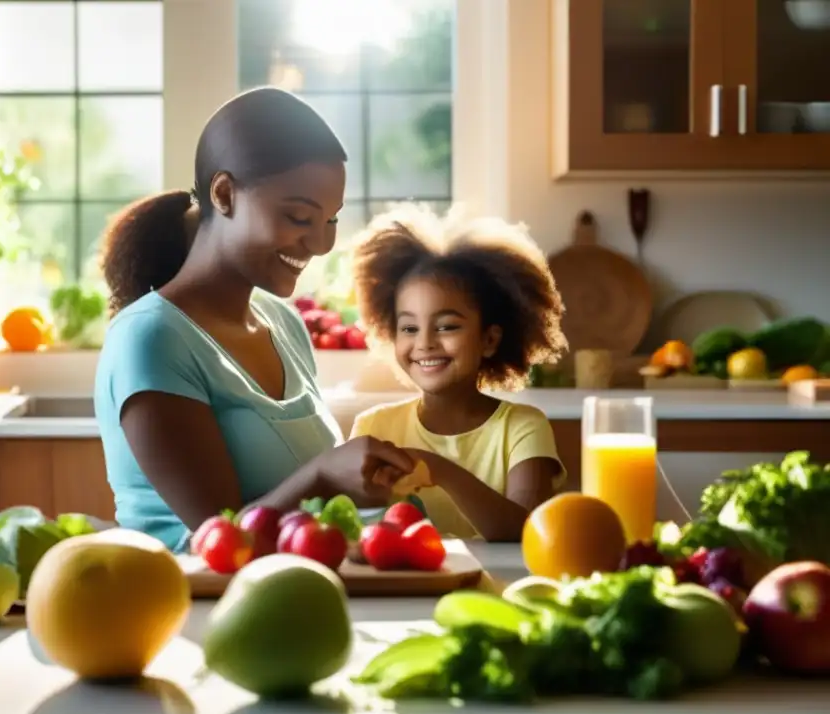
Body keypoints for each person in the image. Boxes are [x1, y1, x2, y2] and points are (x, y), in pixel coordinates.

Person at [93, 87, 415, 552]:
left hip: (288, 595)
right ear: (224, 194)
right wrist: (324, 475)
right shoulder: (152, 338)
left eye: (330, 220)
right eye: (300, 216)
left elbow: (301, 522)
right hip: (182, 608)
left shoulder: (282, 324)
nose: (321, 243)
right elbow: (220, 544)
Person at [348, 204, 569, 541]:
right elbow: (355, 527)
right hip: (405, 591)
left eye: (447, 326)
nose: (424, 343)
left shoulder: (523, 428)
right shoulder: (373, 428)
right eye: (409, 328)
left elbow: (524, 531)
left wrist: (436, 468)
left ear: (489, 339)